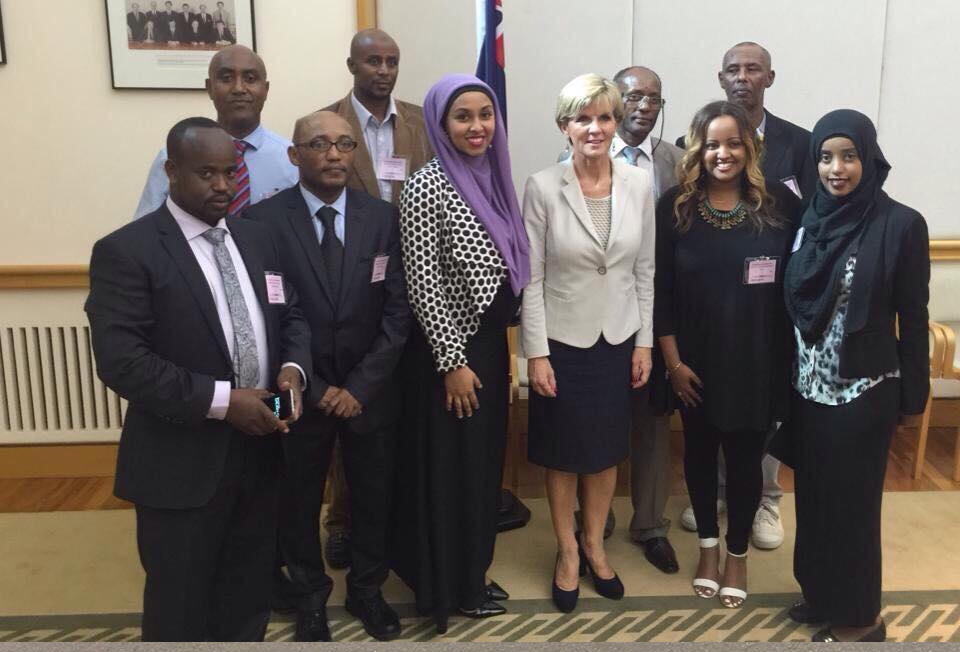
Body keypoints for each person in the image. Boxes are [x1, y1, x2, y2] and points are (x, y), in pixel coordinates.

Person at [84, 117, 312, 641]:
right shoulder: (128, 251)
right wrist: (224, 401)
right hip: (180, 463)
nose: (222, 186)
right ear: (171, 171)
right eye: (206, 173)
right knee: (180, 606)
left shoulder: (258, 238)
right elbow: (122, 361)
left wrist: (293, 369)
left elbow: (291, 314)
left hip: (262, 453)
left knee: (248, 594)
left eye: (230, 173)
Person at [246, 111, 412, 642]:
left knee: (373, 494)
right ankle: (310, 597)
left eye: (345, 144)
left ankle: (367, 589)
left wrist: (360, 387)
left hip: (370, 390)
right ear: (295, 155)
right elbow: (265, 318)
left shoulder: (382, 218)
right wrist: (315, 388)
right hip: (294, 390)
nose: (335, 154)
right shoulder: (261, 221)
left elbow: (398, 312)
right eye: (320, 144)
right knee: (294, 497)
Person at [780, 110, 929, 642]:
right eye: (825, 157)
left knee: (853, 509)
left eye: (848, 156)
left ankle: (861, 619)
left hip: (863, 391)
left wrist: (914, 398)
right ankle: (823, 594)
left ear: (869, 159)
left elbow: (913, 317)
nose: (836, 169)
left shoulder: (900, 224)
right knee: (815, 499)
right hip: (809, 390)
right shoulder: (810, 219)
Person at [392, 74, 529, 633]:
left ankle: (472, 572)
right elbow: (422, 283)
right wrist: (452, 363)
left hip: (489, 349)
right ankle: (447, 585)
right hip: (449, 356)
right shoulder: (426, 185)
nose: (477, 127)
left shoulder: (495, 177)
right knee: (452, 472)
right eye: (463, 116)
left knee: (481, 471)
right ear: (440, 124)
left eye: (485, 115)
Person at [656, 101, 800, 609]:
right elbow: (660, 291)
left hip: (758, 360)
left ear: (750, 148)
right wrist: (673, 364)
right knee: (698, 455)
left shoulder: (779, 204)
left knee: (744, 461)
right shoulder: (675, 206)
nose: (724, 154)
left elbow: (798, 281)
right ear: (698, 149)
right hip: (693, 364)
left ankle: (736, 554)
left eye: (734, 143)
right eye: (712, 144)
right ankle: (708, 549)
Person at [522, 73, 654, 613]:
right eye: (583, 118)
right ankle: (568, 551)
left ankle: (596, 544)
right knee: (563, 455)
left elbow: (644, 270)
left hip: (618, 339)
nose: (595, 128)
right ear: (565, 126)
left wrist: (644, 343)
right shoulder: (541, 186)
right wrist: (535, 353)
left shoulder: (639, 184)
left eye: (604, 117)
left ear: (615, 123)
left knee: (603, 454)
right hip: (561, 342)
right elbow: (531, 278)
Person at [676, 41, 814, 550]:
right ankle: (715, 499)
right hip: (708, 321)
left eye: (753, 68)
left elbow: (810, 227)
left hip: (767, 317)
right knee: (710, 419)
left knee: (759, 420)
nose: (742, 77)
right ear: (721, 78)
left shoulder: (801, 144)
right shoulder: (691, 148)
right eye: (733, 69)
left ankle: (765, 501)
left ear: (769, 78)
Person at [319, 27, 433, 572]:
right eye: (372, 61)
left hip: (420, 282)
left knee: (406, 410)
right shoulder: (328, 125)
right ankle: (342, 521)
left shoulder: (423, 122)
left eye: (391, 61)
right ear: (352, 65)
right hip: (351, 291)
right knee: (351, 411)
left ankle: (397, 518)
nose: (383, 71)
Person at [134, 46, 294, 219]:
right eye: (226, 78)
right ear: (209, 88)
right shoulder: (176, 155)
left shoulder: (291, 159)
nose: (239, 88)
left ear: (266, 89)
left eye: (250, 79)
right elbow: (145, 227)